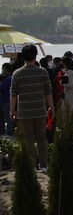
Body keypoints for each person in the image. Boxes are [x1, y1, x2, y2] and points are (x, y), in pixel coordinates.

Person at [9, 44, 54, 173]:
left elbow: (13, 94)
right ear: (35, 56)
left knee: (28, 140)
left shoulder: (17, 74)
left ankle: (32, 166)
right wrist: (51, 107)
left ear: (22, 56)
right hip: (40, 111)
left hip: (24, 113)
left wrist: (12, 110)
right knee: (41, 139)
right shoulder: (42, 72)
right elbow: (48, 92)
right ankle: (44, 166)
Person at [0, 63, 15, 137]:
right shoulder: (4, 78)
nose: (3, 70)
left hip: (6, 100)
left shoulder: (9, 78)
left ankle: (9, 132)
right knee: (2, 117)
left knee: (7, 117)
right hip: (2, 100)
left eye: (3, 69)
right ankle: (2, 131)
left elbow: (2, 88)